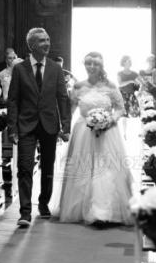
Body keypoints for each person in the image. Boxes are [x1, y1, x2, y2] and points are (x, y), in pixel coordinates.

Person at [57, 52, 133, 226]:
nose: (91, 67)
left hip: (107, 132)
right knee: (82, 169)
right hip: (83, 131)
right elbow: (70, 111)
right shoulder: (78, 87)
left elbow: (120, 109)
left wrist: (109, 120)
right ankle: (81, 208)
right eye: (88, 64)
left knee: (106, 169)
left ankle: (104, 210)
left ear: (101, 66)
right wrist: (64, 129)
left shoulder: (111, 86)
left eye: (95, 64)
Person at [7, 27, 71, 227]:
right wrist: (12, 128)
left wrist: (66, 125)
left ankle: (44, 203)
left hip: (49, 124)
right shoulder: (20, 68)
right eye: (42, 40)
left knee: (47, 167)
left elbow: (62, 98)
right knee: (25, 167)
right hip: (26, 124)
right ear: (32, 45)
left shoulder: (55, 68)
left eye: (48, 39)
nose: (47, 43)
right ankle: (25, 212)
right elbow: (13, 100)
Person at [117, 55, 140, 119]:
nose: (130, 62)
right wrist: (131, 81)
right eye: (128, 61)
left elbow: (141, 83)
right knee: (123, 117)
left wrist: (138, 86)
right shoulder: (119, 73)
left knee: (135, 115)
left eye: (130, 61)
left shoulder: (134, 73)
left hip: (131, 96)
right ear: (123, 62)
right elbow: (120, 84)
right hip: (122, 96)